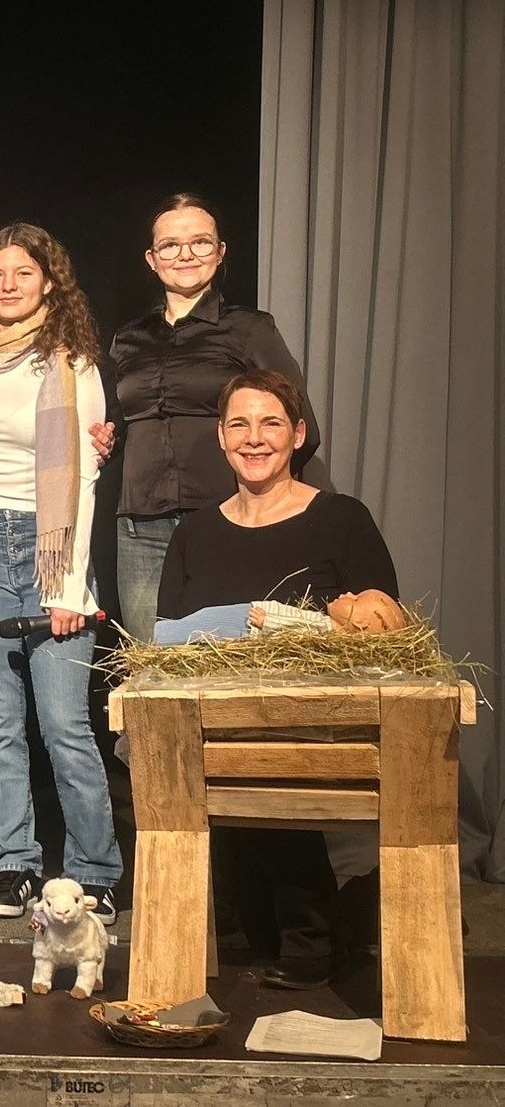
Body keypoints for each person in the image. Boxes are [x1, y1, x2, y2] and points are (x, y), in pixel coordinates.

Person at [157, 369, 398, 989]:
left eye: (271, 423)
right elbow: (169, 639)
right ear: (221, 436)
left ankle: (309, 931)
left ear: (297, 433)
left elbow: (384, 626)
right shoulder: (195, 532)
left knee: (265, 746)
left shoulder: (340, 518)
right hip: (215, 722)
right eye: (239, 424)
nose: (254, 437)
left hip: (314, 724)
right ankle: (279, 927)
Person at [0, 224, 122, 926]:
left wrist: (69, 587)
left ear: (49, 283)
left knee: (64, 724)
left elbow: (86, 482)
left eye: (23, 273)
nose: (8, 286)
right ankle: (14, 865)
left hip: (52, 548)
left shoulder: (73, 364)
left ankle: (95, 870)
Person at [107, 193, 319, 643]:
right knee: (150, 662)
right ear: (151, 259)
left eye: (200, 242)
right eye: (170, 245)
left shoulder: (249, 329)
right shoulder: (128, 339)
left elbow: (299, 426)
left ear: (220, 252)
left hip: (226, 519)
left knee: (231, 656)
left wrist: (264, 505)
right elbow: (114, 426)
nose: (185, 254)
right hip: (142, 527)